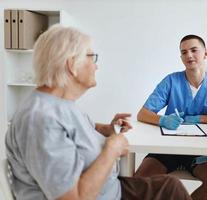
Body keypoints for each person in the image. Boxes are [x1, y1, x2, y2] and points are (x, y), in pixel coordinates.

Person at [5, 25, 192, 200]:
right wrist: (112, 150)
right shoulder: (40, 120)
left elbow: (76, 129)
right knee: (171, 190)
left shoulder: (60, 103)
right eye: (91, 57)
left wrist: (107, 129)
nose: (96, 66)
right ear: (72, 65)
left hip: (108, 189)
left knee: (170, 186)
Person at [134, 35, 207, 200]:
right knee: (139, 180)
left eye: (194, 50)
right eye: (184, 52)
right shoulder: (171, 81)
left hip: (199, 151)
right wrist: (162, 120)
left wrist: (200, 118)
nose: (189, 55)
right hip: (168, 148)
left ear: (205, 53)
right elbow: (143, 113)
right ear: (181, 58)